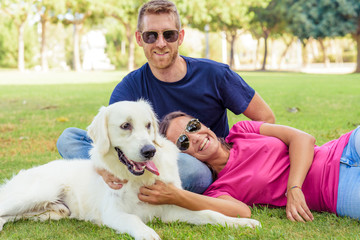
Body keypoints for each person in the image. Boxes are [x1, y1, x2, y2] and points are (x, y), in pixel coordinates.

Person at [56, 0, 275, 194]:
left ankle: (135, 185)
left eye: (168, 34)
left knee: (195, 173)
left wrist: (236, 157)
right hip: (143, 154)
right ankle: (112, 175)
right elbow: (115, 140)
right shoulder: (129, 87)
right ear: (140, 39)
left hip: (198, 164)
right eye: (151, 35)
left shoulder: (216, 74)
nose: (160, 43)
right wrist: (100, 165)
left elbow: (265, 117)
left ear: (180, 37)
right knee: (69, 138)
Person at [137, 111, 360, 222]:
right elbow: (242, 212)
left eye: (193, 126)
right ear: (183, 156)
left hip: (344, 148)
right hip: (337, 192)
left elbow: (303, 139)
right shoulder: (219, 190)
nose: (195, 137)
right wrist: (175, 195)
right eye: (183, 142)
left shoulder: (242, 130)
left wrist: (294, 188)